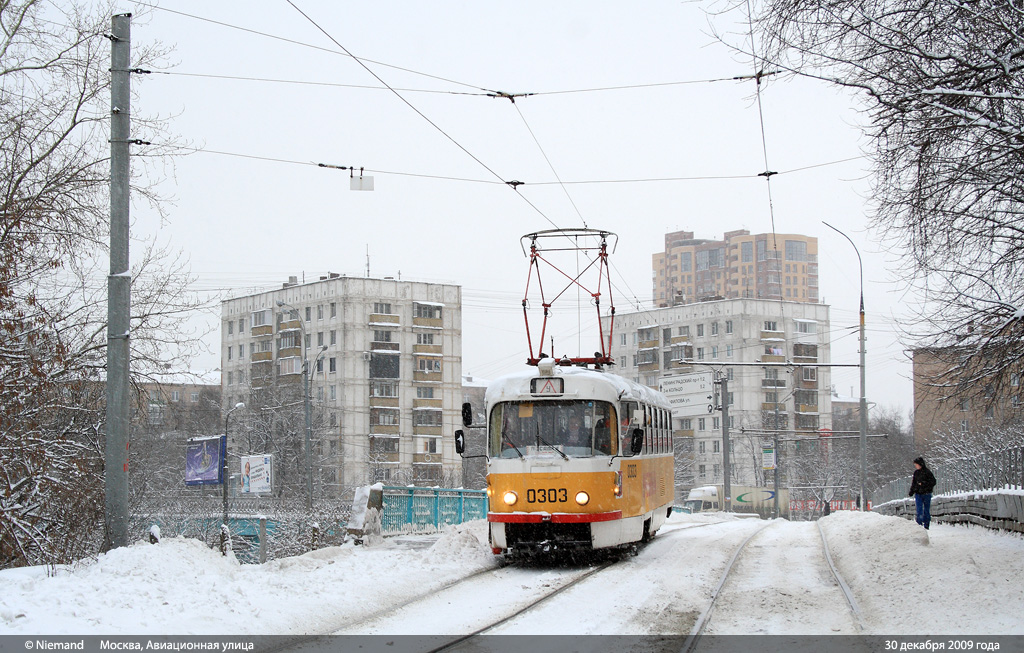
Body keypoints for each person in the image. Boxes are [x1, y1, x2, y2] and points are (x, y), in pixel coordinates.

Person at [908, 456, 936, 529]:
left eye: (916, 464)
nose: (915, 466)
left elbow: (933, 482)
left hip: (926, 493)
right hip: (918, 494)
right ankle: (919, 525)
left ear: (920, 464)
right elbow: (914, 483)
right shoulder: (916, 473)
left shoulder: (927, 472)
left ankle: (926, 525)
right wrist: (912, 491)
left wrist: (923, 484)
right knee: (919, 510)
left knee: (926, 510)